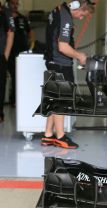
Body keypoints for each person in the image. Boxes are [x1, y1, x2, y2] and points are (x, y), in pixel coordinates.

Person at [41, 0, 94, 149]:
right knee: (62, 100)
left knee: (54, 98)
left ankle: (48, 135)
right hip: (60, 63)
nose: (82, 17)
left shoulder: (58, 10)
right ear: (78, 7)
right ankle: (60, 137)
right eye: (83, 14)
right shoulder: (66, 18)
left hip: (52, 61)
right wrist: (80, 56)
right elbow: (63, 47)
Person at [7, 0, 35, 108]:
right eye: (13, 3)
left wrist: (32, 42)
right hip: (8, 52)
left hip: (22, 53)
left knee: (20, 76)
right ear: (8, 4)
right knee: (14, 75)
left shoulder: (22, 18)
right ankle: (13, 99)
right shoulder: (5, 16)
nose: (15, 6)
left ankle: (18, 99)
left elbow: (30, 31)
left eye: (16, 4)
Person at [0, 1, 14, 123]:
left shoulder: (4, 13)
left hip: (1, 55)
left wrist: (6, 54)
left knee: (0, 85)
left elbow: (10, 33)